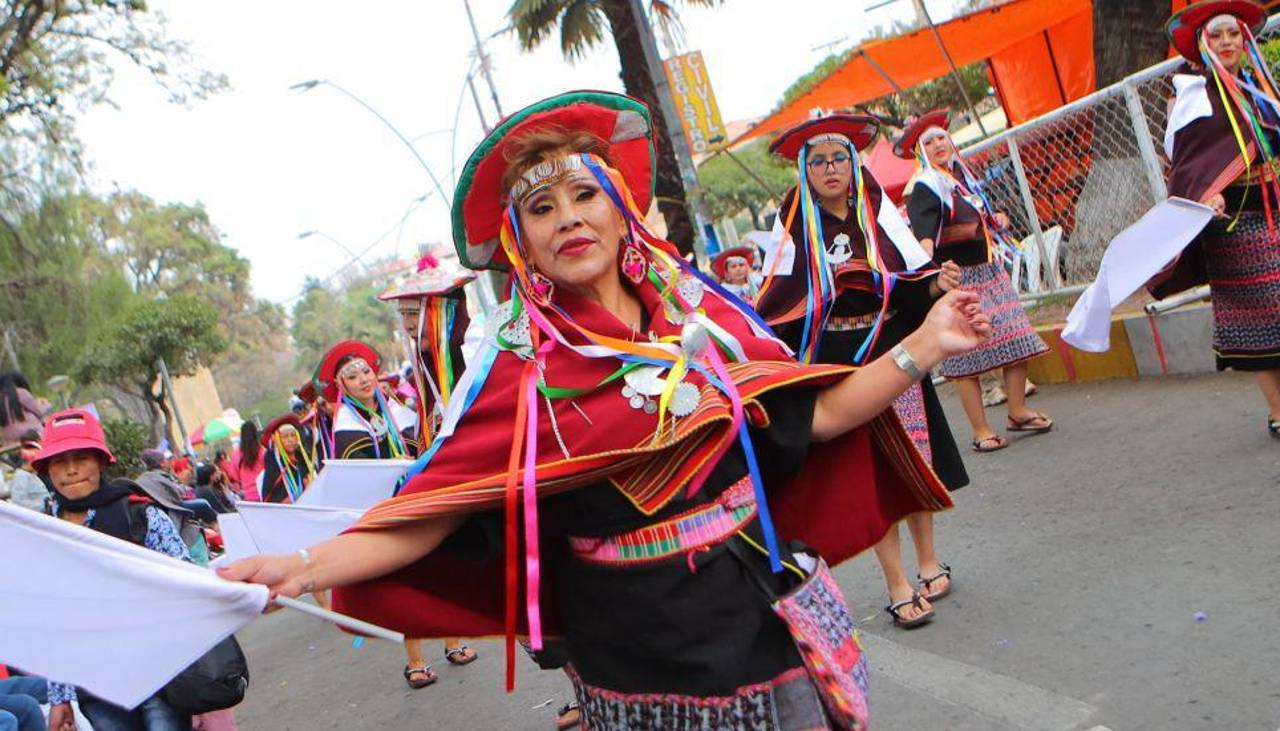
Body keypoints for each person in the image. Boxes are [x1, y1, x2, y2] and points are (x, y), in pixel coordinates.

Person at [221, 91, 991, 729]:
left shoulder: (704, 322)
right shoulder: (519, 379)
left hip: (764, 622)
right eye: (542, 208)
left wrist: (923, 344)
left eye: (585, 194)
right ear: (521, 242)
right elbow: (432, 512)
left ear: (622, 210)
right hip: (636, 664)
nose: (568, 218)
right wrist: (302, 566)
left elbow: (815, 417)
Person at [753, 112, 970, 629]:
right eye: (819, 161)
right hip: (837, 360)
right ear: (805, 171)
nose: (831, 169)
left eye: (839, 159)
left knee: (917, 455)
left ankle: (927, 560)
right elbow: (775, 302)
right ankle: (897, 582)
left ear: (852, 165)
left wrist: (936, 284)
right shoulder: (792, 227)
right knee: (869, 469)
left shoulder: (879, 213)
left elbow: (911, 278)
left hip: (894, 343)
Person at [1155, 0, 1280, 436]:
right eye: (1218, 36)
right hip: (1236, 227)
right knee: (1261, 319)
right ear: (1204, 46)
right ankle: (1278, 410)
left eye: (1233, 34)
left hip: (1275, 214)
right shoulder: (1194, 96)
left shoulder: (1259, 85)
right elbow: (1187, 164)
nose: (1227, 42)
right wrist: (1207, 194)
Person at [896, 109, 1053, 453]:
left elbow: (975, 216)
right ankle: (981, 429)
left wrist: (994, 220)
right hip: (958, 276)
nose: (938, 144)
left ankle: (1017, 410)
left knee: (1017, 337)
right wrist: (930, 275)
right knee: (964, 356)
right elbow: (924, 234)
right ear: (920, 151)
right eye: (929, 141)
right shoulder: (925, 185)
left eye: (941, 137)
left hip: (989, 270)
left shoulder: (959, 177)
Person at [33, 408, 193, 730]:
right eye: (60, 461)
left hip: (161, 674)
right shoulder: (43, 535)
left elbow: (188, 588)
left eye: (81, 457)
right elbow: (53, 624)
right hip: (99, 687)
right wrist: (60, 697)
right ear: (47, 471)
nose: (72, 470)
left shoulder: (140, 515)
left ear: (102, 461)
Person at [376, 257, 482, 687]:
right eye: (402, 315)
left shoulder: (474, 352)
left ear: (443, 311)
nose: (406, 325)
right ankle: (422, 655)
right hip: (443, 482)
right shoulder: (424, 365)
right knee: (424, 565)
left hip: (485, 477)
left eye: (414, 314)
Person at [317, 341, 419, 461]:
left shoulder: (394, 408)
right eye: (352, 377)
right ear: (341, 386)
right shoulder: (346, 425)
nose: (364, 380)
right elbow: (358, 473)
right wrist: (391, 466)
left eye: (366, 372)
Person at [258, 416, 316, 504]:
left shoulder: (302, 459)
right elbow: (271, 501)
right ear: (276, 440)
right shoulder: (274, 465)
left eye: (293, 435)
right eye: (285, 437)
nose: (290, 440)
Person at [0, 372, 46, 448]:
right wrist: (45, 404)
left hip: (11, 442)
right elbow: (39, 412)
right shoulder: (21, 393)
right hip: (33, 434)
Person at [224, 422, 264, 501]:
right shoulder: (262, 451)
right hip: (265, 491)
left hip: (249, 495)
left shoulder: (236, 455)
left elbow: (234, 477)